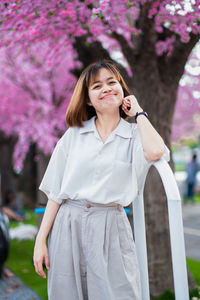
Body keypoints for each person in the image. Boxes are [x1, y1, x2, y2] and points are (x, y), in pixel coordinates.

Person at [33, 60, 170, 300]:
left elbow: (156, 152)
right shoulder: (74, 135)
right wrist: (40, 240)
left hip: (110, 224)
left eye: (112, 82)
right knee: (67, 293)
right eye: (97, 86)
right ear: (87, 99)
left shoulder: (134, 134)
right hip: (68, 223)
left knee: (118, 292)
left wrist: (138, 112)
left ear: (123, 91)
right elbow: (56, 193)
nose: (106, 88)